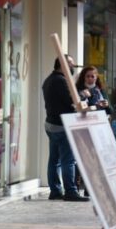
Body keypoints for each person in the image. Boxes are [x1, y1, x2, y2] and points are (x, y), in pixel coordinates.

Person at [42, 55, 89, 202]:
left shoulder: (48, 80)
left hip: (51, 124)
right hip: (62, 125)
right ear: (62, 65)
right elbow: (72, 101)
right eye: (71, 65)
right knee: (68, 160)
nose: (73, 68)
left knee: (54, 159)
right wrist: (83, 94)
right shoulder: (61, 81)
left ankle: (55, 190)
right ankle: (70, 191)